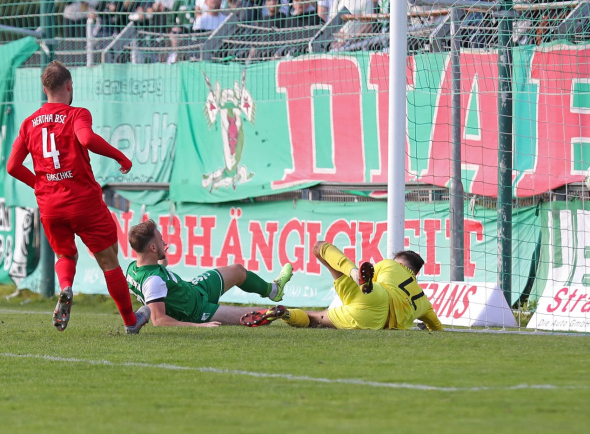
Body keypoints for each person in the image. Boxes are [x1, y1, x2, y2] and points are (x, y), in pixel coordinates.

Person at [6, 61, 150, 334]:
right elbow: (85, 139)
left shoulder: (28, 124)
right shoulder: (76, 114)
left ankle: (66, 288)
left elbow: (13, 166)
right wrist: (120, 156)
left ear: (44, 88)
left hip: (50, 205)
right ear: (70, 86)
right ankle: (131, 322)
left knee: (64, 252)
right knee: (108, 260)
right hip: (83, 201)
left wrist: (39, 184)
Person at [242, 240, 443, 331]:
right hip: (377, 323)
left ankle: (354, 274)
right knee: (316, 319)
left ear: (399, 263)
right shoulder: (424, 301)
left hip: (376, 295)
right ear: (415, 274)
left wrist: (364, 283)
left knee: (319, 248)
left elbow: (376, 282)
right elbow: (436, 327)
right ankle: (285, 314)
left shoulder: (390, 265)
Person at [126, 219, 293, 327]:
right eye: (160, 240)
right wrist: (198, 326)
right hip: (197, 312)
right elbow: (160, 320)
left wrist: (161, 261)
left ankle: (274, 290)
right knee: (257, 315)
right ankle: (300, 317)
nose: (164, 242)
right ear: (153, 248)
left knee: (238, 270)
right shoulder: (153, 280)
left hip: (195, 289)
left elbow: (154, 290)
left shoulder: (134, 268)